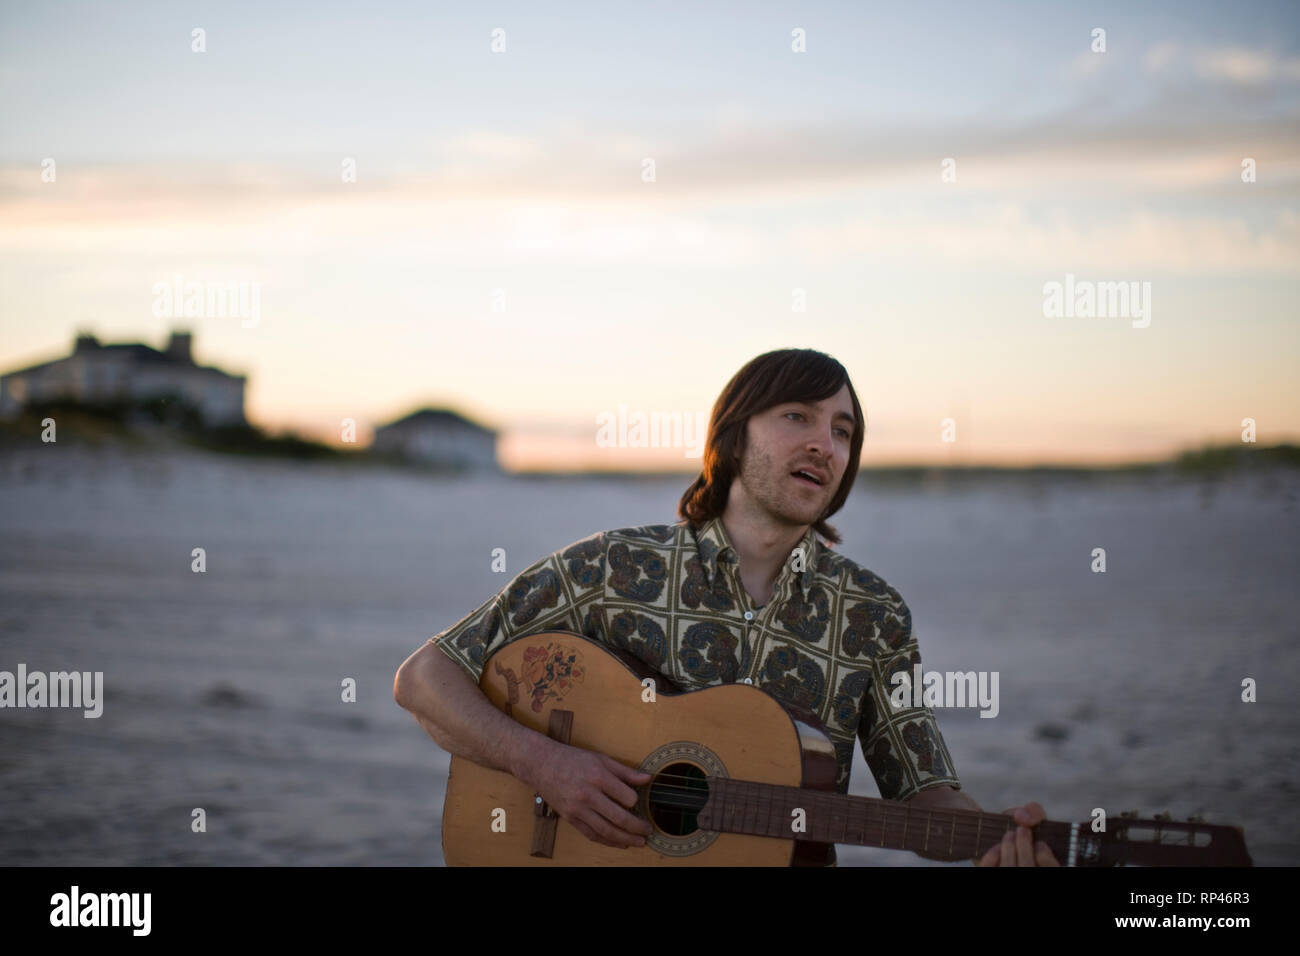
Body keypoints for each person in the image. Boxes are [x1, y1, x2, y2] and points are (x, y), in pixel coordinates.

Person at [394, 348, 1058, 867]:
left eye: (843, 430)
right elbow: (425, 677)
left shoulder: (873, 615)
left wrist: (993, 840)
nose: (824, 444)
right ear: (734, 437)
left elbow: (923, 791)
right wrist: (544, 764)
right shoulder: (611, 568)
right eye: (797, 416)